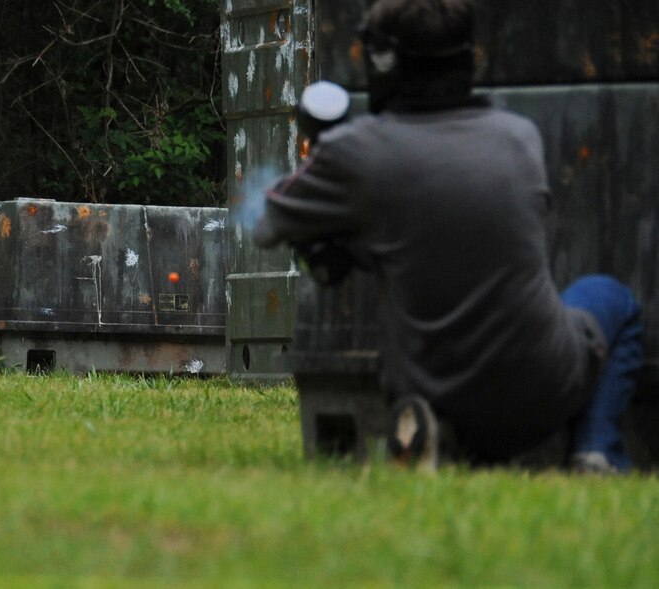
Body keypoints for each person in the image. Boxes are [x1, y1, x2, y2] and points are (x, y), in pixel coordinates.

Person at [253, 0, 643, 472]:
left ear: (384, 60)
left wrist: (336, 232)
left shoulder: (357, 153)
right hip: (541, 394)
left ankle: (436, 433)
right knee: (608, 296)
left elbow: (267, 224)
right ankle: (595, 450)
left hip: (431, 393)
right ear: (467, 56)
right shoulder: (519, 137)